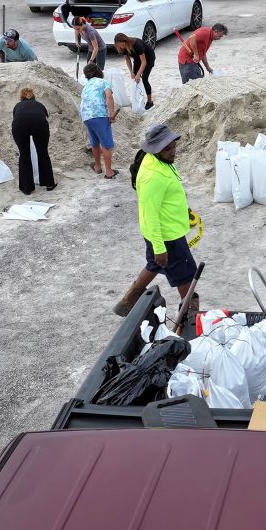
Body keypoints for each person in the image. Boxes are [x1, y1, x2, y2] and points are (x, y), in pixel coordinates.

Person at [113, 124, 198, 317]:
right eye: (167, 148)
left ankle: (127, 302)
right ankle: (190, 319)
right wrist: (160, 248)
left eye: (173, 145)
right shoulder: (152, 177)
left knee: (155, 264)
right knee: (187, 276)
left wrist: (182, 210)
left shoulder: (161, 162)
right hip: (167, 236)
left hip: (164, 230)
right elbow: (149, 215)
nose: (173, 151)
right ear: (155, 149)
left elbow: (168, 196)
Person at [11, 87, 56, 195]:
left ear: (21, 97)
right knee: (43, 152)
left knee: (24, 154)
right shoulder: (39, 104)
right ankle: (48, 183)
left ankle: (27, 188)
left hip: (20, 124)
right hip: (39, 123)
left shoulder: (18, 106)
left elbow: (15, 117)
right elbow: (45, 116)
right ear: (33, 96)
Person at [79, 62, 117, 179]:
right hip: (99, 114)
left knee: (95, 142)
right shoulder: (103, 82)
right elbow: (109, 96)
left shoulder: (86, 86)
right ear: (99, 72)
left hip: (86, 116)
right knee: (106, 144)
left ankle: (98, 167)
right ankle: (109, 172)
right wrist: (111, 114)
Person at [114, 32, 156, 110]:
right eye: (120, 46)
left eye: (122, 45)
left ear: (126, 41)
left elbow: (144, 62)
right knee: (134, 79)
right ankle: (138, 100)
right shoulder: (122, 47)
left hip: (148, 57)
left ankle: (150, 102)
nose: (122, 47)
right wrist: (131, 72)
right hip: (137, 58)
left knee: (144, 78)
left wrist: (138, 74)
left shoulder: (137, 44)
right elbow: (127, 60)